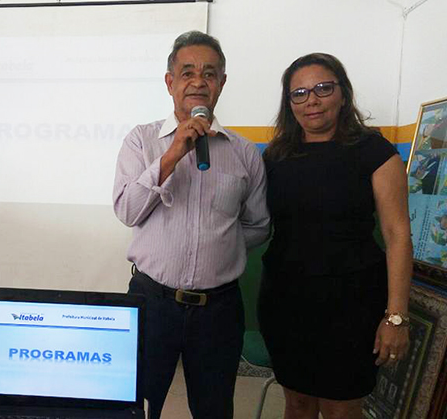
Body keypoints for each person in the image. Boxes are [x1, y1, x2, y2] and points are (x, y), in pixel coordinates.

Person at [112, 31, 270, 418]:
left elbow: (258, 225)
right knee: (136, 406)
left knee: (214, 410)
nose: (198, 81)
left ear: (222, 84)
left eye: (210, 73)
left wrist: (220, 246)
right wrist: (171, 155)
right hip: (152, 302)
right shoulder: (142, 141)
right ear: (170, 82)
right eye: (187, 73)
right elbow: (127, 210)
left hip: (219, 310)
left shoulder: (243, 152)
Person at [259, 53, 412, 419]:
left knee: (341, 407)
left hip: (352, 304)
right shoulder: (276, 157)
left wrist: (396, 317)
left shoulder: (374, 152)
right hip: (286, 302)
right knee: (296, 403)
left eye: (323, 88)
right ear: (289, 102)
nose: (311, 100)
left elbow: (397, 235)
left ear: (342, 94)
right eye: (299, 93)